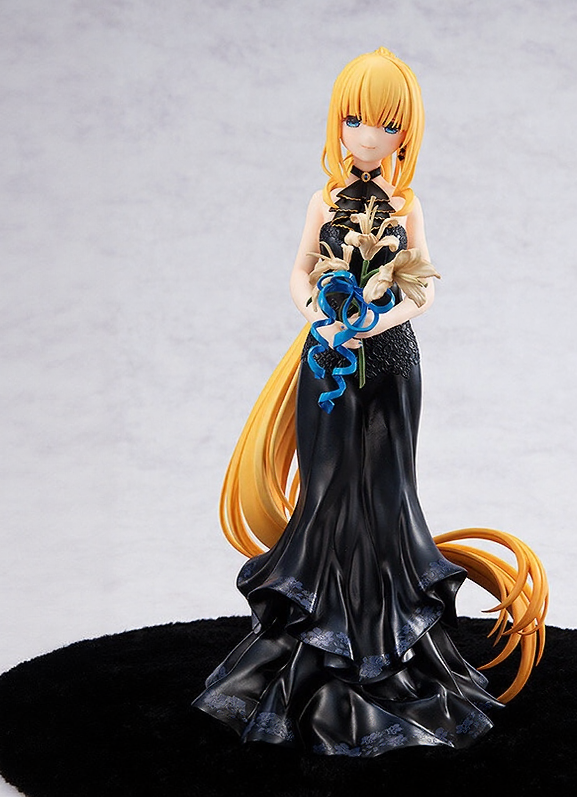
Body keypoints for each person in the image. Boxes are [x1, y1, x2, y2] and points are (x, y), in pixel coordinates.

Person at [192, 47, 548, 757]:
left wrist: (376, 322)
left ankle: (387, 649)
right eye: (355, 119)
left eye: (386, 123)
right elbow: (299, 271)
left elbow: (426, 285)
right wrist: (319, 319)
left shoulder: (407, 204)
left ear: (405, 132)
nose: (367, 136)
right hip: (327, 361)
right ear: (337, 121)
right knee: (327, 495)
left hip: (389, 365)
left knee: (386, 495)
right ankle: (317, 648)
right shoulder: (323, 200)